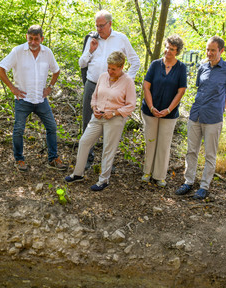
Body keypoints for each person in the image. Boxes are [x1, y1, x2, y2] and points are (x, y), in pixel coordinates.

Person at [0, 25, 66, 172]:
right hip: (23, 99)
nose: (33, 42)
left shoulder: (47, 52)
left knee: (52, 127)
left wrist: (50, 87)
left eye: (36, 39)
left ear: (42, 39)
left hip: (41, 99)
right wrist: (12, 88)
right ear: (26, 37)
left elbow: (56, 71)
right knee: (19, 129)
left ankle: (53, 159)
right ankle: (19, 160)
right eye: (30, 39)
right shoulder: (18, 51)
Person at [64, 51, 136, 191]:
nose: (110, 71)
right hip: (97, 117)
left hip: (115, 119)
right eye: (108, 68)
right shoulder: (103, 77)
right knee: (84, 142)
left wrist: (114, 112)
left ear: (121, 67)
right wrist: (94, 107)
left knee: (108, 149)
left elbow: (131, 105)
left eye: (113, 69)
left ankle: (104, 180)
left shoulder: (128, 81)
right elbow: (94, 96)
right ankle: (78, 174)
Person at [175, 36, 226, 199]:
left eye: (213, 50)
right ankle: (188, 182)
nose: (209, 53)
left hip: (213, 118)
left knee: (210, 154)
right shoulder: (202, 67)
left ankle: (204, 186)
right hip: (195, 114)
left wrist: (218, 109)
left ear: (221, 51)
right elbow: (199, 89)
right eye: (208, 49)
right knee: (191, 151)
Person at [78, 10, 140, 170]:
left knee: (110, 125)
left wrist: (126, 81)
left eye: (101, 25)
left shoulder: (121, 39)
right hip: (92, 84)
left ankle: (107, 163)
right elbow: (82, 63)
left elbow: (135, 62)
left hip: (113, 88)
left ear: (110, 23)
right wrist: (90, 50)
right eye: (97, 26)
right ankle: (86, 160)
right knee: (88, 123)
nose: (98, 29)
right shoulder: (92, 39)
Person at [141, 35, 188, 187]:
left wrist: (168, 109)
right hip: (150, 112)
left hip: (169, 114)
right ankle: (147, 172)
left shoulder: (181, 68)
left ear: (177, 51)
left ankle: (159, 175)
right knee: (151, 142)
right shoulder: (155, 65)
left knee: (164, 144)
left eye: (172, 49)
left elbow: (181, 91)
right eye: (167, 47)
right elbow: (146, 86)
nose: (168, 51)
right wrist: (151, 107)